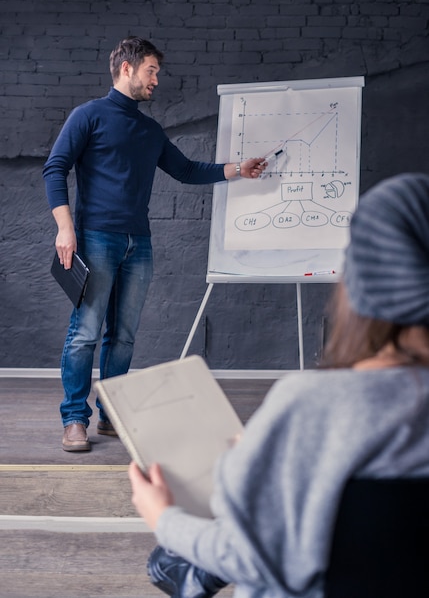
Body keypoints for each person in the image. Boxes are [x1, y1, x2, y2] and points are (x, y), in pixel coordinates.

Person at [128, 172, 429, 598]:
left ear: (366, 280)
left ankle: (192, 570)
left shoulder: (313, 407)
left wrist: (163, 517)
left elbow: (249, 558)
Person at [43, 36, 266, 452]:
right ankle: (75, 419)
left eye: (157, 73)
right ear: (126, 69)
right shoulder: (88, 116)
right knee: (85, 334)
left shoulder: (149, 129)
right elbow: (54, 169)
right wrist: (65, 227)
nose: (156, 80)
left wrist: (239, 170)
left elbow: (185, 169)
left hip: (137, 244)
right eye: (151, 71)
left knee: (123, 337)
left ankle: (112, 416)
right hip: (95, 239)